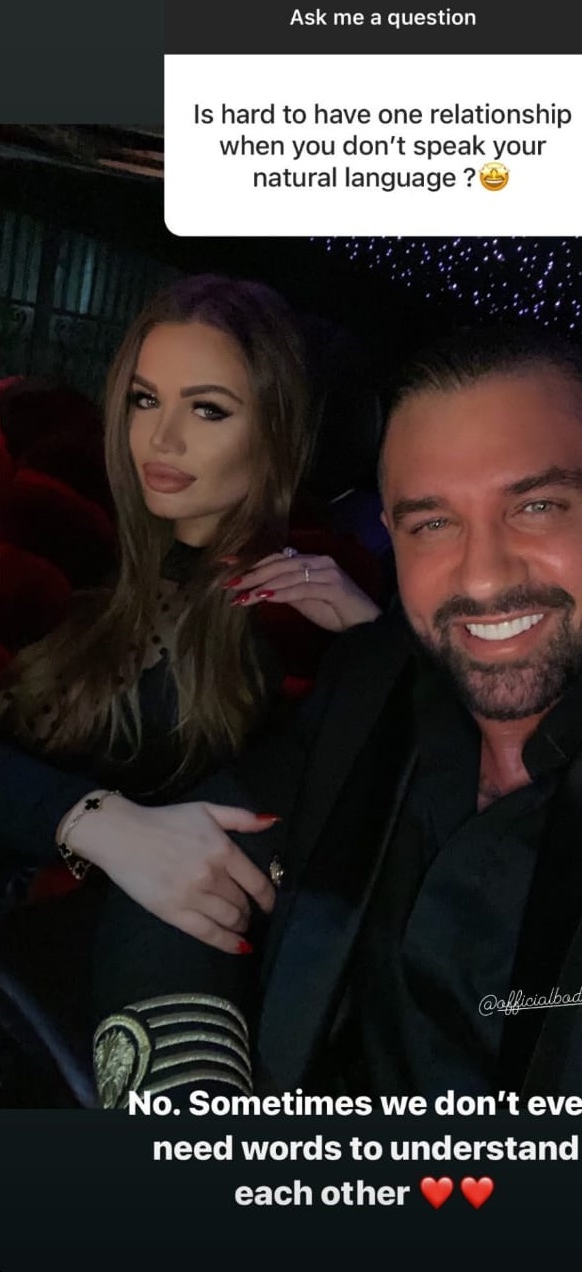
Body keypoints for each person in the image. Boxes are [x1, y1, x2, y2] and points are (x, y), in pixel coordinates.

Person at [7, 323, 582, 1110]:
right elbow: (190, 865)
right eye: (432, 522)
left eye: (536, 506)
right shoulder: (375, 680)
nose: (482, 575)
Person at [0, 273, 380, 1105]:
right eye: (144, 399)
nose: (161, 438)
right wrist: (86, 818)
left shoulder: (304, 615)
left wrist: (373, 649)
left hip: (69, 968)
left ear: (275, 430)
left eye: (207, 409)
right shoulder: (54, 516)